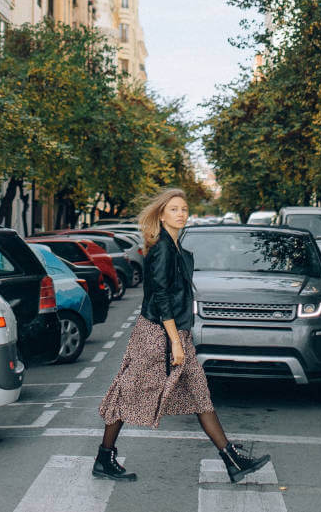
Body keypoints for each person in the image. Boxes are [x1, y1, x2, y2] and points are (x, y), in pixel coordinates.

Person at [93, 188, 270, 483]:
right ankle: (104, 457)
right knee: (129, 393)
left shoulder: (174, 248)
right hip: (156, 335)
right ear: (162, 215)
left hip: (175, 333)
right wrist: (175, 342)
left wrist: (179, 338)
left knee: (200, 394)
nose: (181, 213)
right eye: (174, 209)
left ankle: (231, 459)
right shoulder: (162, 248)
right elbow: (161, 297)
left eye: (184, 209)